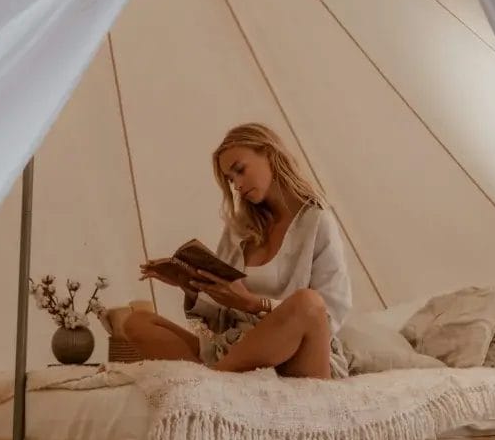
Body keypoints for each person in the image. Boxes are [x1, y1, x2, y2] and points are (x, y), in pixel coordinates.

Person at [104, 123, 351, 379]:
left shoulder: (318, 222)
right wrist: (190, 286)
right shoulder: (239, 230)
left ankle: (212, 381)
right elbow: (217, 318)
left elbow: (327, 314)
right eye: (231, 179)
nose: (237, 185)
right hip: (236, 348)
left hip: (297, 352)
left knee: (308, 303)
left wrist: (254, 304)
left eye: (240, 170)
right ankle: (218, 380)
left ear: (269, 153)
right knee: (138, 322)